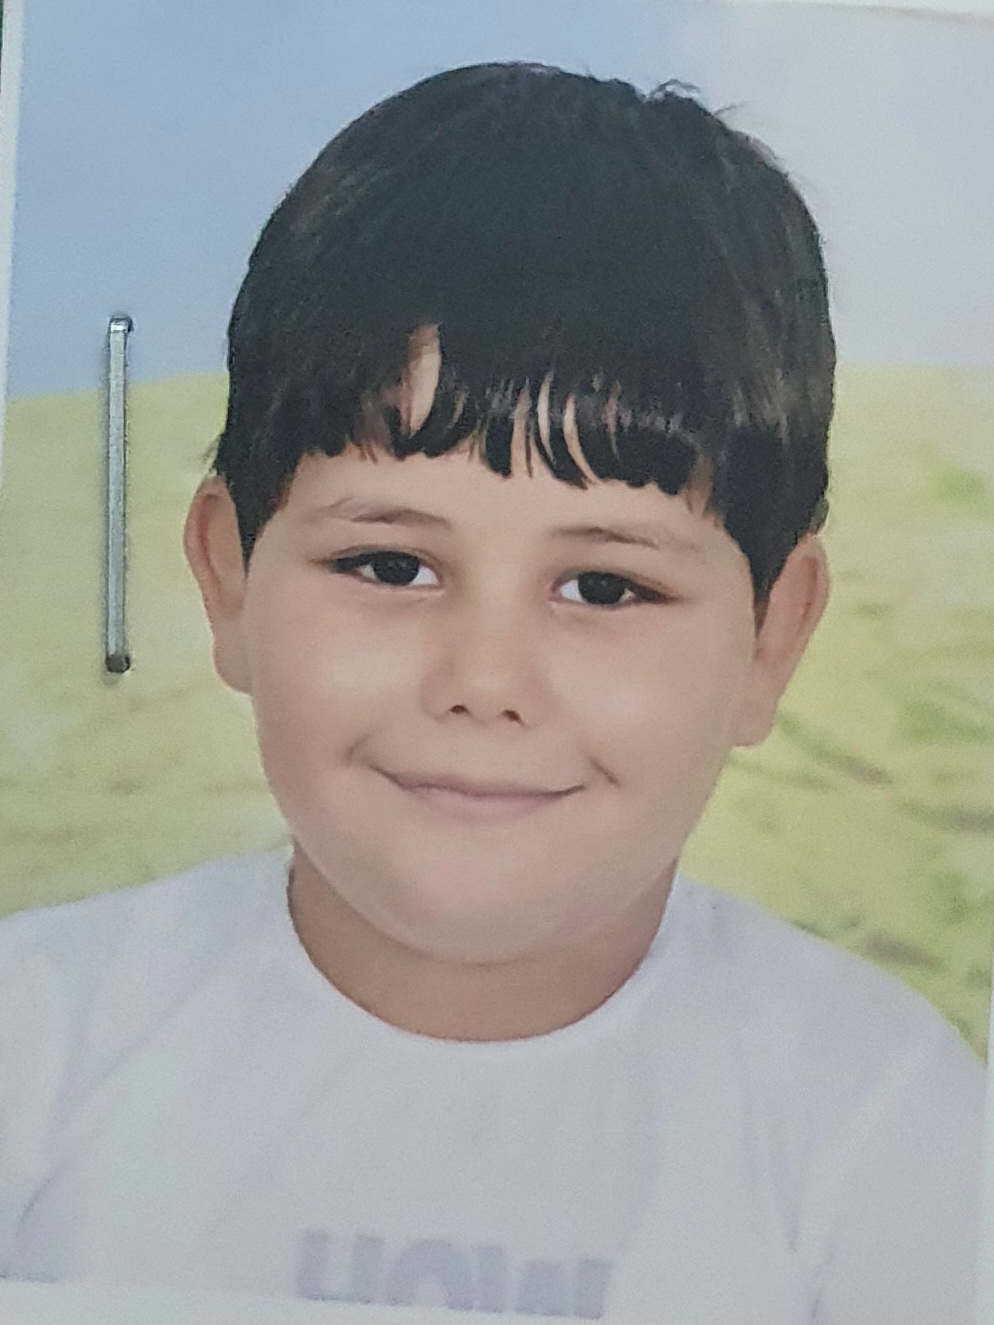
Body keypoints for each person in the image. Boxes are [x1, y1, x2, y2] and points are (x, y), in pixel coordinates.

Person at [0, 62, 983, 1324]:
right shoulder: (35, 1047)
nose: (483, 681)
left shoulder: (888, 1131)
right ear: (227, 577)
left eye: (606, 587)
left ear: (770, 636)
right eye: (389, 564)